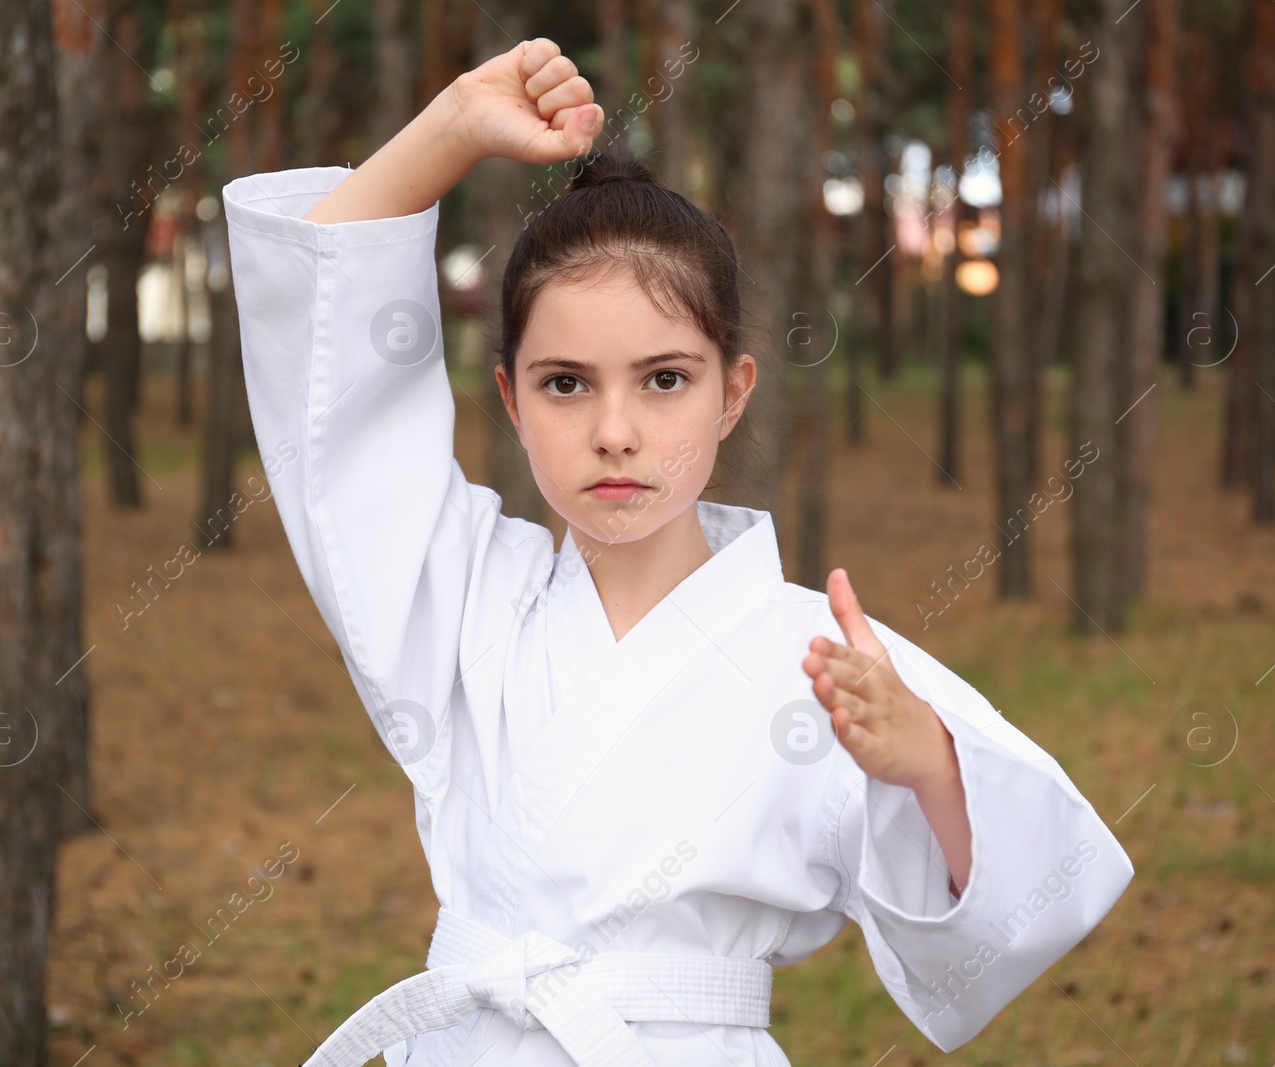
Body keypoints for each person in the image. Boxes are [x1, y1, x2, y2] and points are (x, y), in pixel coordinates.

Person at [221, 36, 1132, 1067]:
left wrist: (927, 763)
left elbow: (1040, 884)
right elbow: (335, 399)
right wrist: (455, 127)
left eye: (663, 379)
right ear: (513, 399)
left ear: (732, 391)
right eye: (567, 382)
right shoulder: (469, 595)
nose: (616, 431)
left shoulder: (819, 659)